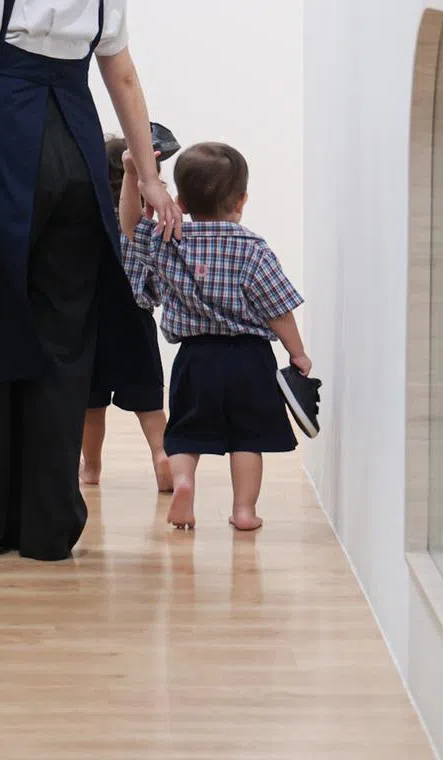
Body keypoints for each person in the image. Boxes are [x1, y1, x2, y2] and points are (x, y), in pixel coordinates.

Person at [0, 0, 183, 562]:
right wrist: (150, 179)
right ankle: (48, 526)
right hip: (77, 148)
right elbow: (121, 76)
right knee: (64, 340)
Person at [120, 143, 313, 531]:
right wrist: (298, 353)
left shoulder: (168, 239)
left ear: (180, 202)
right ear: (241, 200)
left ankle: (184, 482)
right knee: (247, 439)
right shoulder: (253, 249)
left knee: (185, 432)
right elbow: (279, 309)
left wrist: (131, 175)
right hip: (249, 360)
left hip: (195, 359)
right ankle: (244, 511)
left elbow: (129, 225)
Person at [80, 136, 171, 492]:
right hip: (136, 320)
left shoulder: (89, 220)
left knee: (91, 405)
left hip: (91, 321)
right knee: (149, 402)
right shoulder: (146, 226)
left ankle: (92, 468)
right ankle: (162, 454)